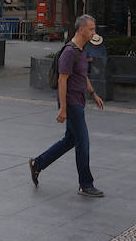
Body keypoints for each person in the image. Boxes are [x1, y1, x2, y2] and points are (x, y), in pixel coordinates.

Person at [29, 14, 105, 198]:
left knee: (70, 140)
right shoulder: (70, 52)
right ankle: (86, 185)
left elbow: (82, 76)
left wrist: (93, 93)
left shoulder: (81, 50)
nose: (94, 32)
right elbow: (62, 81)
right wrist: (63, 108)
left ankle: (37, 164)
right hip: (71, 103)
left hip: (78, 100)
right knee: (83, 143)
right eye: (91, 29)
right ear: (81, 29)